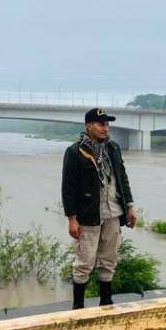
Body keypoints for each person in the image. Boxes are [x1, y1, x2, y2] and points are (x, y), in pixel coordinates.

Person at [61, 107, 137, 309]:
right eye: (101, 124)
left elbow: (122, 178)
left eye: (107, 124)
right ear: (88, 126)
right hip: (88, 215)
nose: (106, 128)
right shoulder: (75, 152)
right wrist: (71, 218)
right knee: (84, 261)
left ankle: (106, 302)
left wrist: (129, 206)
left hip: (113, 212)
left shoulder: (113, 148)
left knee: (109, 259)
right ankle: (78, 307)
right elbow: (68, 188)